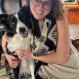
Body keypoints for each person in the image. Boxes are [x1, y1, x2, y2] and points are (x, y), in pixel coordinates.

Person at [2, 0, 79, 79]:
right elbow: (6, 37)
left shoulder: (59, 18)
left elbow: (61, 59)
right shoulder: (25, 14)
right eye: (37, 1)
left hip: (61, 67)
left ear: (53, 3)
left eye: (46, 3)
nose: (40, 7)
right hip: (38, 65)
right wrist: (8, 55)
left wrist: (31, 55)